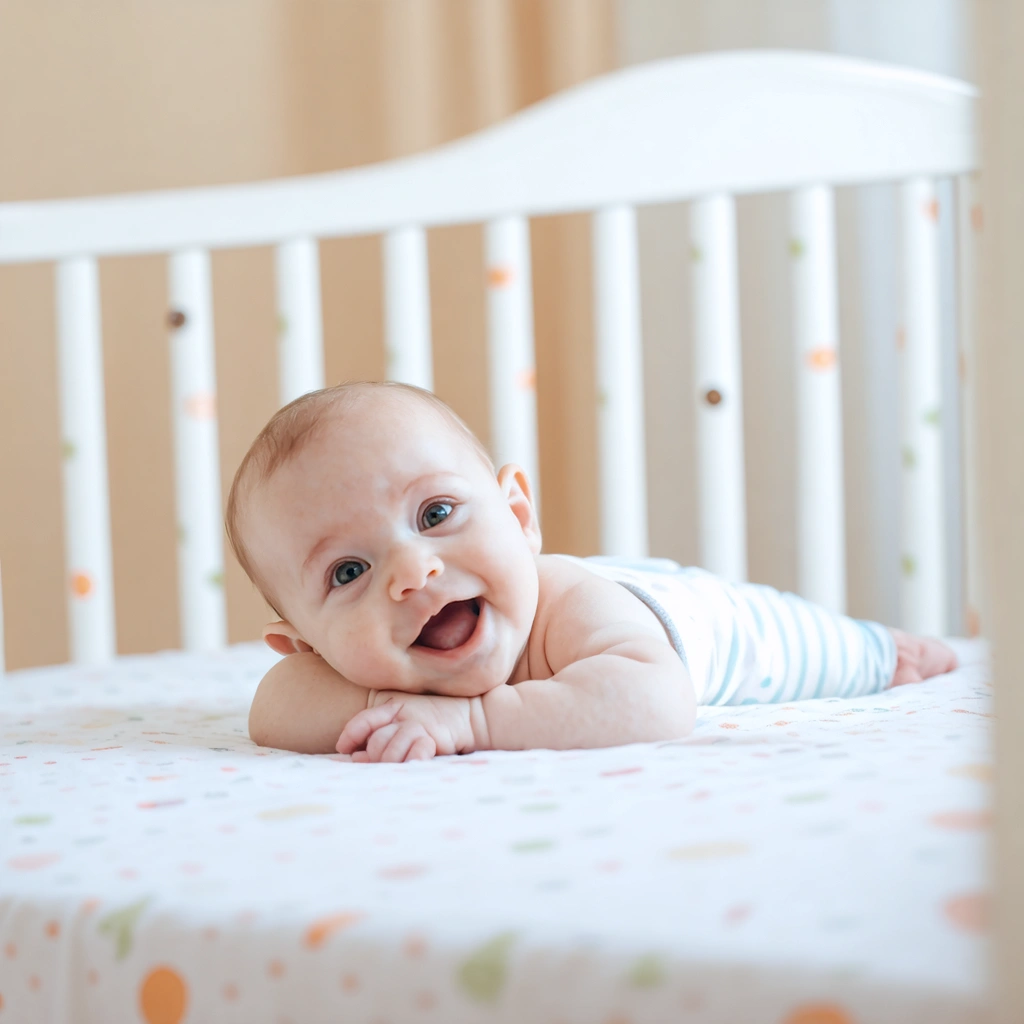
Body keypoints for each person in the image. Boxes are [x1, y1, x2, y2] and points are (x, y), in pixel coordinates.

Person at [225, 381, 957, 760]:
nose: (413, 571)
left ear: (517, 515)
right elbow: (273, 712)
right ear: (306, 645)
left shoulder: (569, 607)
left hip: (713, 623)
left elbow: (656, 704)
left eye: (437, 514)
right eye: (348, 571)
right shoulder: (362, 652)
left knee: (828, 646)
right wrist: (386, 706)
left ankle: (885, 647)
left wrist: (469, 721)